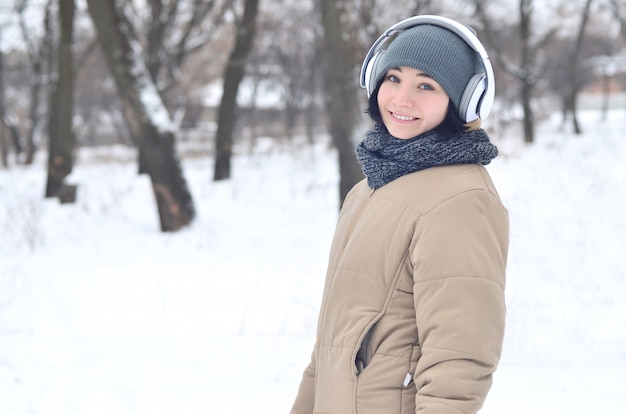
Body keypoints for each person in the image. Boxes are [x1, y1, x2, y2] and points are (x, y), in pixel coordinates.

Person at [290, 15, 509, 414]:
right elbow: (331, 347)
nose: (402, 99)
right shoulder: (368, 189)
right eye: (393, 78)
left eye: (426, 85)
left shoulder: (460, 200)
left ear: (464, 100)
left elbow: (460, 358)